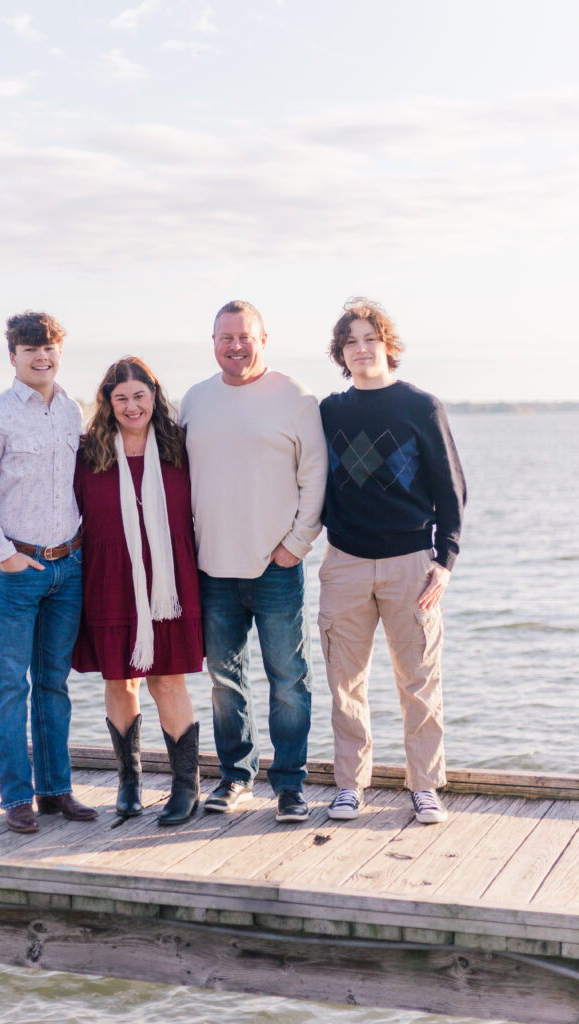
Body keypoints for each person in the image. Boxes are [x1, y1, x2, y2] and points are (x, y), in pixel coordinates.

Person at [318, 298, 466, 825]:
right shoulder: (329, 412)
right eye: (350, 342)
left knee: (420, 681)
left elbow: (452, 489)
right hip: (345, 562)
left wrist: (444, 560)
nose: (361, 349)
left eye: (369, 340)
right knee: (345, 684)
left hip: (411, 565)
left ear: (387, 346)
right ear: (341, 353)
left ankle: (425, 786)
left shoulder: (421, 407)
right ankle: (349, 787)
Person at [179, 300, 328, 824]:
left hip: (276, 565)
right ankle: (237, 777)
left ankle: (289, 786)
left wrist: (296, 545)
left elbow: (316, 477)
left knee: (288, 679)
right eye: (226, 337)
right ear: (213, 342)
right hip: (212, 567)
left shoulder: (295, 397)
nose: (236, 346)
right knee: (224, 681)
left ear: (264, 339)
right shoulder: (195, 400)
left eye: (245, 336)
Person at [0, 311, 97, 833]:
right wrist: (4, 555)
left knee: (54, 685)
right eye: (31, 348)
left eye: (50, 347)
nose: (42, 356)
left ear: (60, 351)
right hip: (16, 570)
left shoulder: (71, 411)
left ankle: (55, 790)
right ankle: (15, 796)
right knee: (9, 686)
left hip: (69, 567)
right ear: (12, 356)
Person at [72, 357, 202, 826]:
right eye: (121, 397)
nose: (131, 406)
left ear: (154, 395)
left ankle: (186, 787)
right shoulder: (88, 453)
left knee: (167, 678)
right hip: (109, 577)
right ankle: (129, 780)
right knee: (119, 680)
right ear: (108, 401)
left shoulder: (179, 447)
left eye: (139, 396)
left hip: (170, 580)